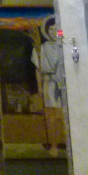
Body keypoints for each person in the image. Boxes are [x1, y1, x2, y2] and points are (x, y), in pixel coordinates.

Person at [31, 17, 65, 154]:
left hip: (62, 84)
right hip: (49, 84)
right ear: (46, 30)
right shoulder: (42, 49)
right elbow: (38, 70)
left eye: (56, 29)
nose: (53, 32)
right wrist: (40, 87)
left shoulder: (63, 46)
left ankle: (66, 142)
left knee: (62, 115)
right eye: (51, 29)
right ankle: (54, 145)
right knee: (51, 116)